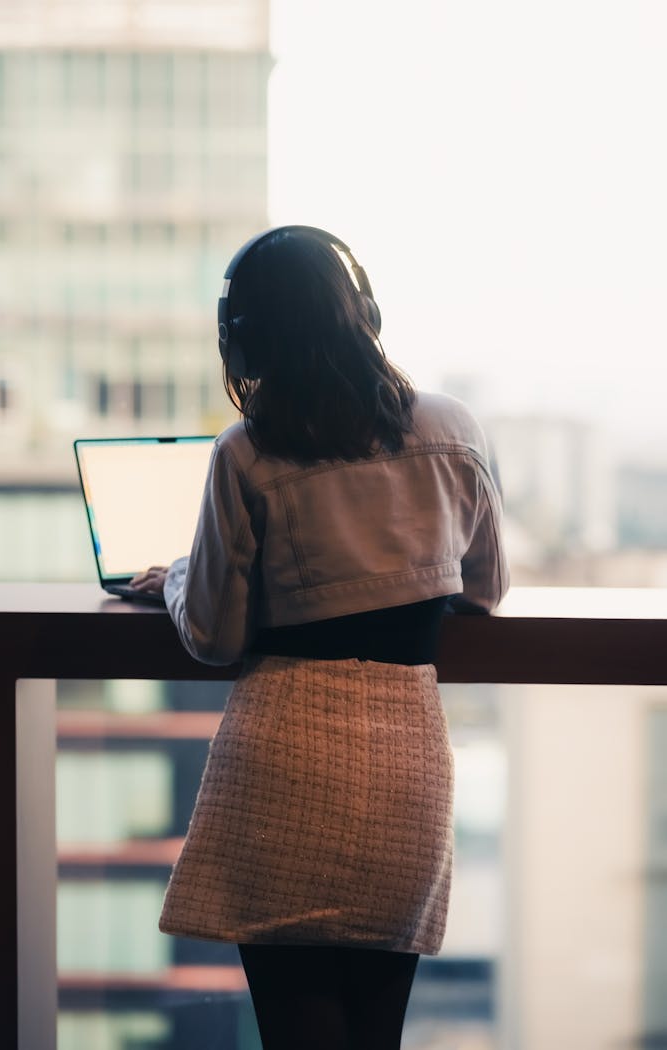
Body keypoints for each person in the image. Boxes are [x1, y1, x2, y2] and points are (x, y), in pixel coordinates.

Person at [131, 225, 509, 1050]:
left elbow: (213, 636)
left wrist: (174, 579)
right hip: (407, 765)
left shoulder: (247, 452)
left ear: (244, 341)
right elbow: (484, 591)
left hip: (285, 760)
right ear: (365, 312)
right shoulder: (454, 431)